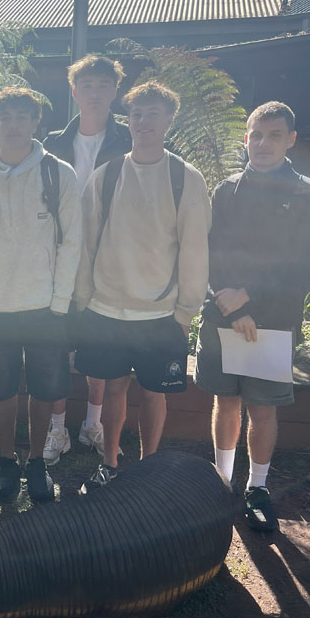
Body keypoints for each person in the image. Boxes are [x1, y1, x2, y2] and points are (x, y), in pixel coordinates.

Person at [74, 81, 211, 487]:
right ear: (127, 119)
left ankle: (148, 469)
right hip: (106, 309)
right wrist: (83, 299)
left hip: (161, 314)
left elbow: (195, 250)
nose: (143, 121)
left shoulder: (186, 178)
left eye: (153, 113)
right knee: (113, 390)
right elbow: (85, 242)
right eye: (136, 113)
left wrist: (186, 312)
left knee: (154, 393)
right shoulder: (107, 175)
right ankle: (110, 463)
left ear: (169, 119)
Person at [195, 101, 310, 532]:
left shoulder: (307, 194)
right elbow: (209, 254)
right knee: (225, 402)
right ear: (246, 138)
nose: (264, 144)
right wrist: (232, 308)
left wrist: (248, 300)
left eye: (274, 135)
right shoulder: (226, 190)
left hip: (272, 322)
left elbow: (301, 266)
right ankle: (222, 481)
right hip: (223, 317)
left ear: (290, 140)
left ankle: (257, 488)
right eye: (257, 135)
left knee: (262, 408)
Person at [0, 88, 81, 503]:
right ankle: (7, 461)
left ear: (36, 122)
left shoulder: (58, 173)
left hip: (47, 307)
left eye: (22, 116)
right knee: (1, 389)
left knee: (45, 389)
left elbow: (72, 241)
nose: (13, 125)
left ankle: (37, 464)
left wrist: (60, 302)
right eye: (5, 117)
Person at [42, 54, 131, 465]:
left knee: (98, 345)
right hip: (59, 257)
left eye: (103, 85)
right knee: (58, 345)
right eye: (87, 86)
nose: (95, 93)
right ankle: (57, 428)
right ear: (74, 92)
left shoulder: (129, 141)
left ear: (115, 91)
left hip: (108, 257)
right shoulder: (52, 143)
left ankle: (92, 424)